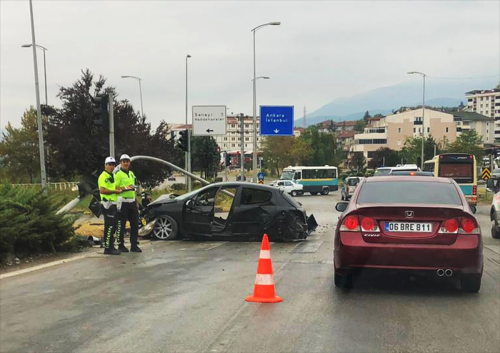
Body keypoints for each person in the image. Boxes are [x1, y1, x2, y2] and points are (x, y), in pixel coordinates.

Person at [115, 154, 142, 252]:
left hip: (132, 201)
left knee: (135, 224)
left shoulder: (131, 174)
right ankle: (120, 245)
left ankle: (134, 245)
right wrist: (126, 188)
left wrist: (136, 200)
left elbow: (133, 188)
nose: (126, 163)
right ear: (120, 163)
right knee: (121, 224)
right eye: (124, 161)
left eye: (127, 161)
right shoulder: (117, 174)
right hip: (122, 202)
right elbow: (115, 188)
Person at [98, 157, 122, 255]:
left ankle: (111, 246)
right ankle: (107, 248)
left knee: (113, 226)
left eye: (113, 164)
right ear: (105, 165)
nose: (111, 166)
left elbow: (114, 187)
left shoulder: (113, 176)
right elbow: (102, 190)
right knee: (109, 226)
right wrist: (114, 191)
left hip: (113, 204)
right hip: (107, 204)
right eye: (110, 164)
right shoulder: (103, 176)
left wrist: (119, 189)